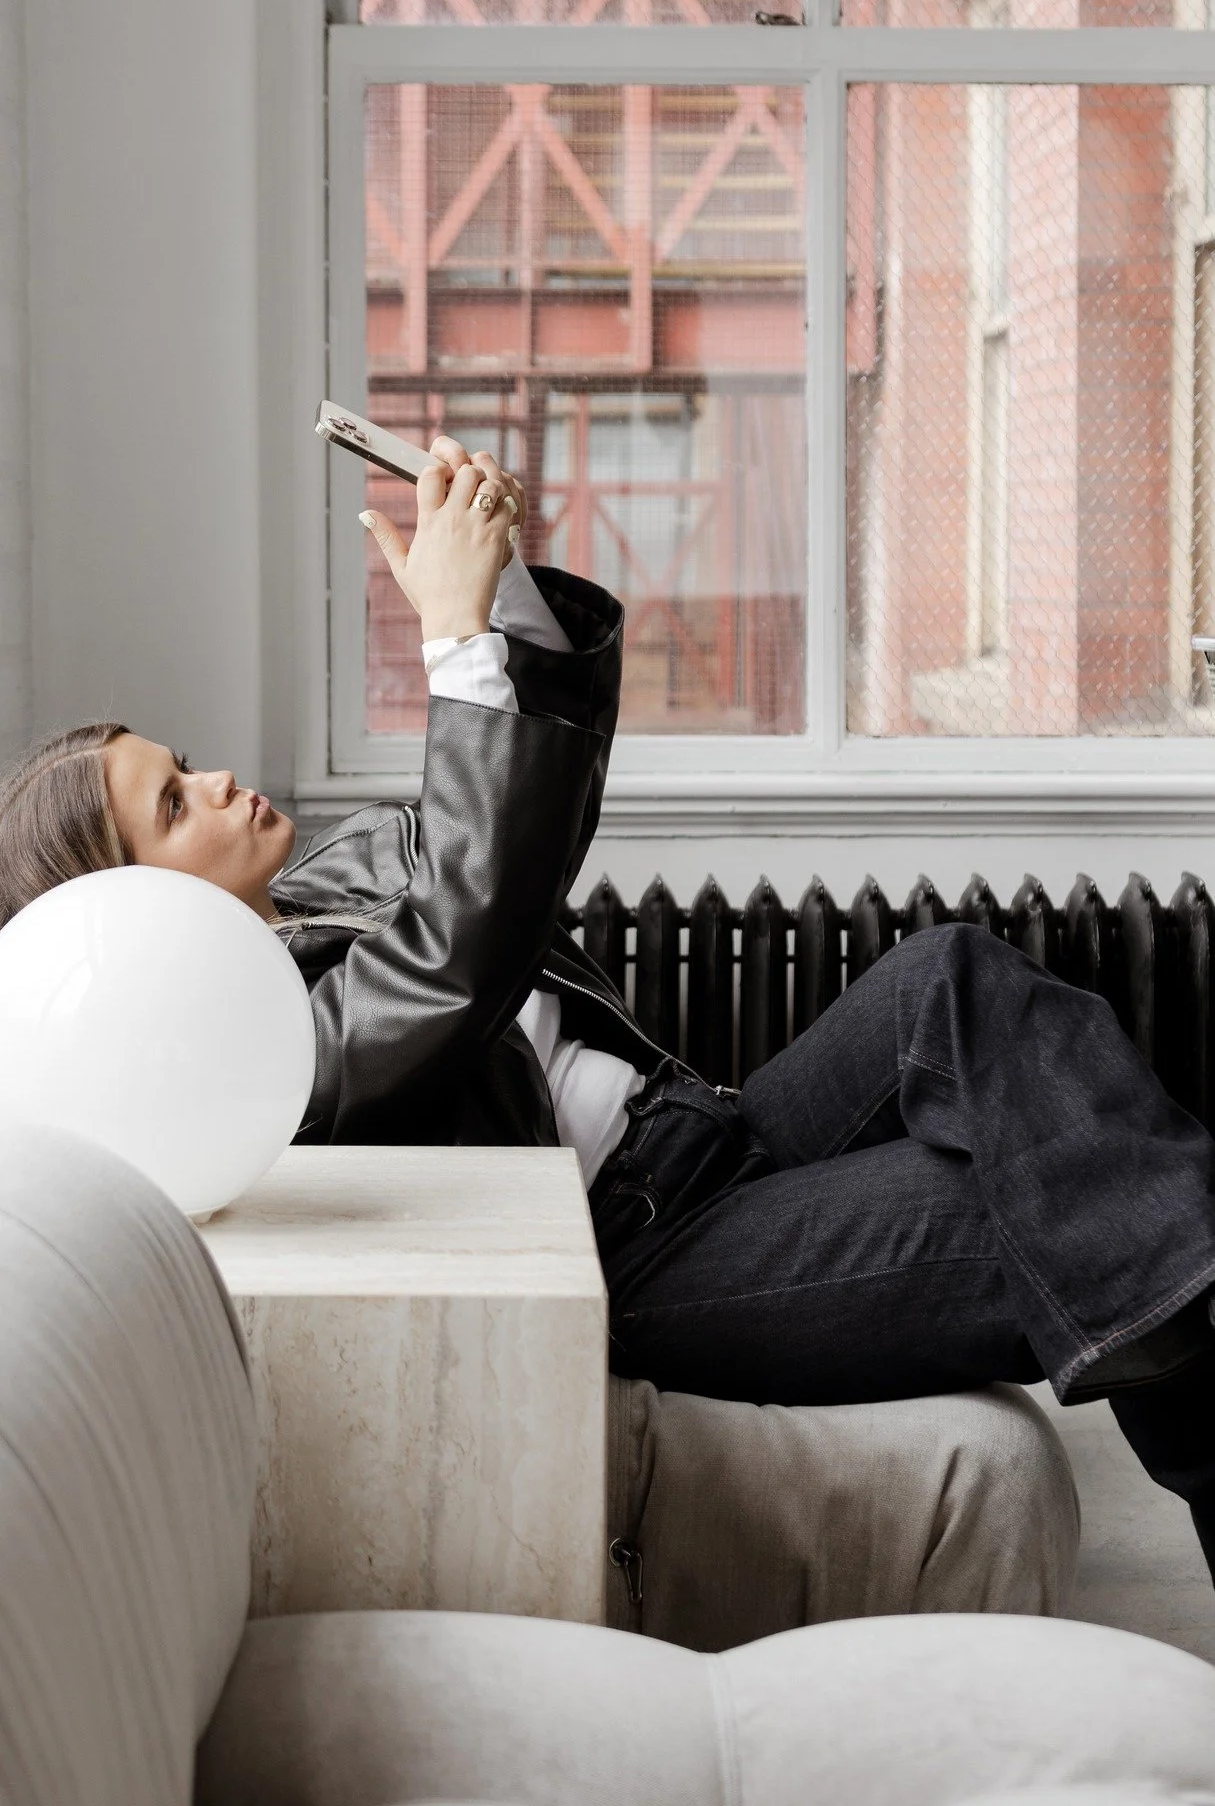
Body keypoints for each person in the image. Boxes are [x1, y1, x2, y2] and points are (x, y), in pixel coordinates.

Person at [4, 434, 1215, 1580]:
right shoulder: (255, 1061)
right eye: (175, 804)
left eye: (181, 761)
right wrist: (451, 642)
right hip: (638, 1252)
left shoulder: (339, 874)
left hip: (700, 1132)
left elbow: (519, 842)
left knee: (954, 975)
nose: (215, 777)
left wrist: (500, 591)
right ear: (126, 908)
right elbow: (454, 952)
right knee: (1050, 1201)